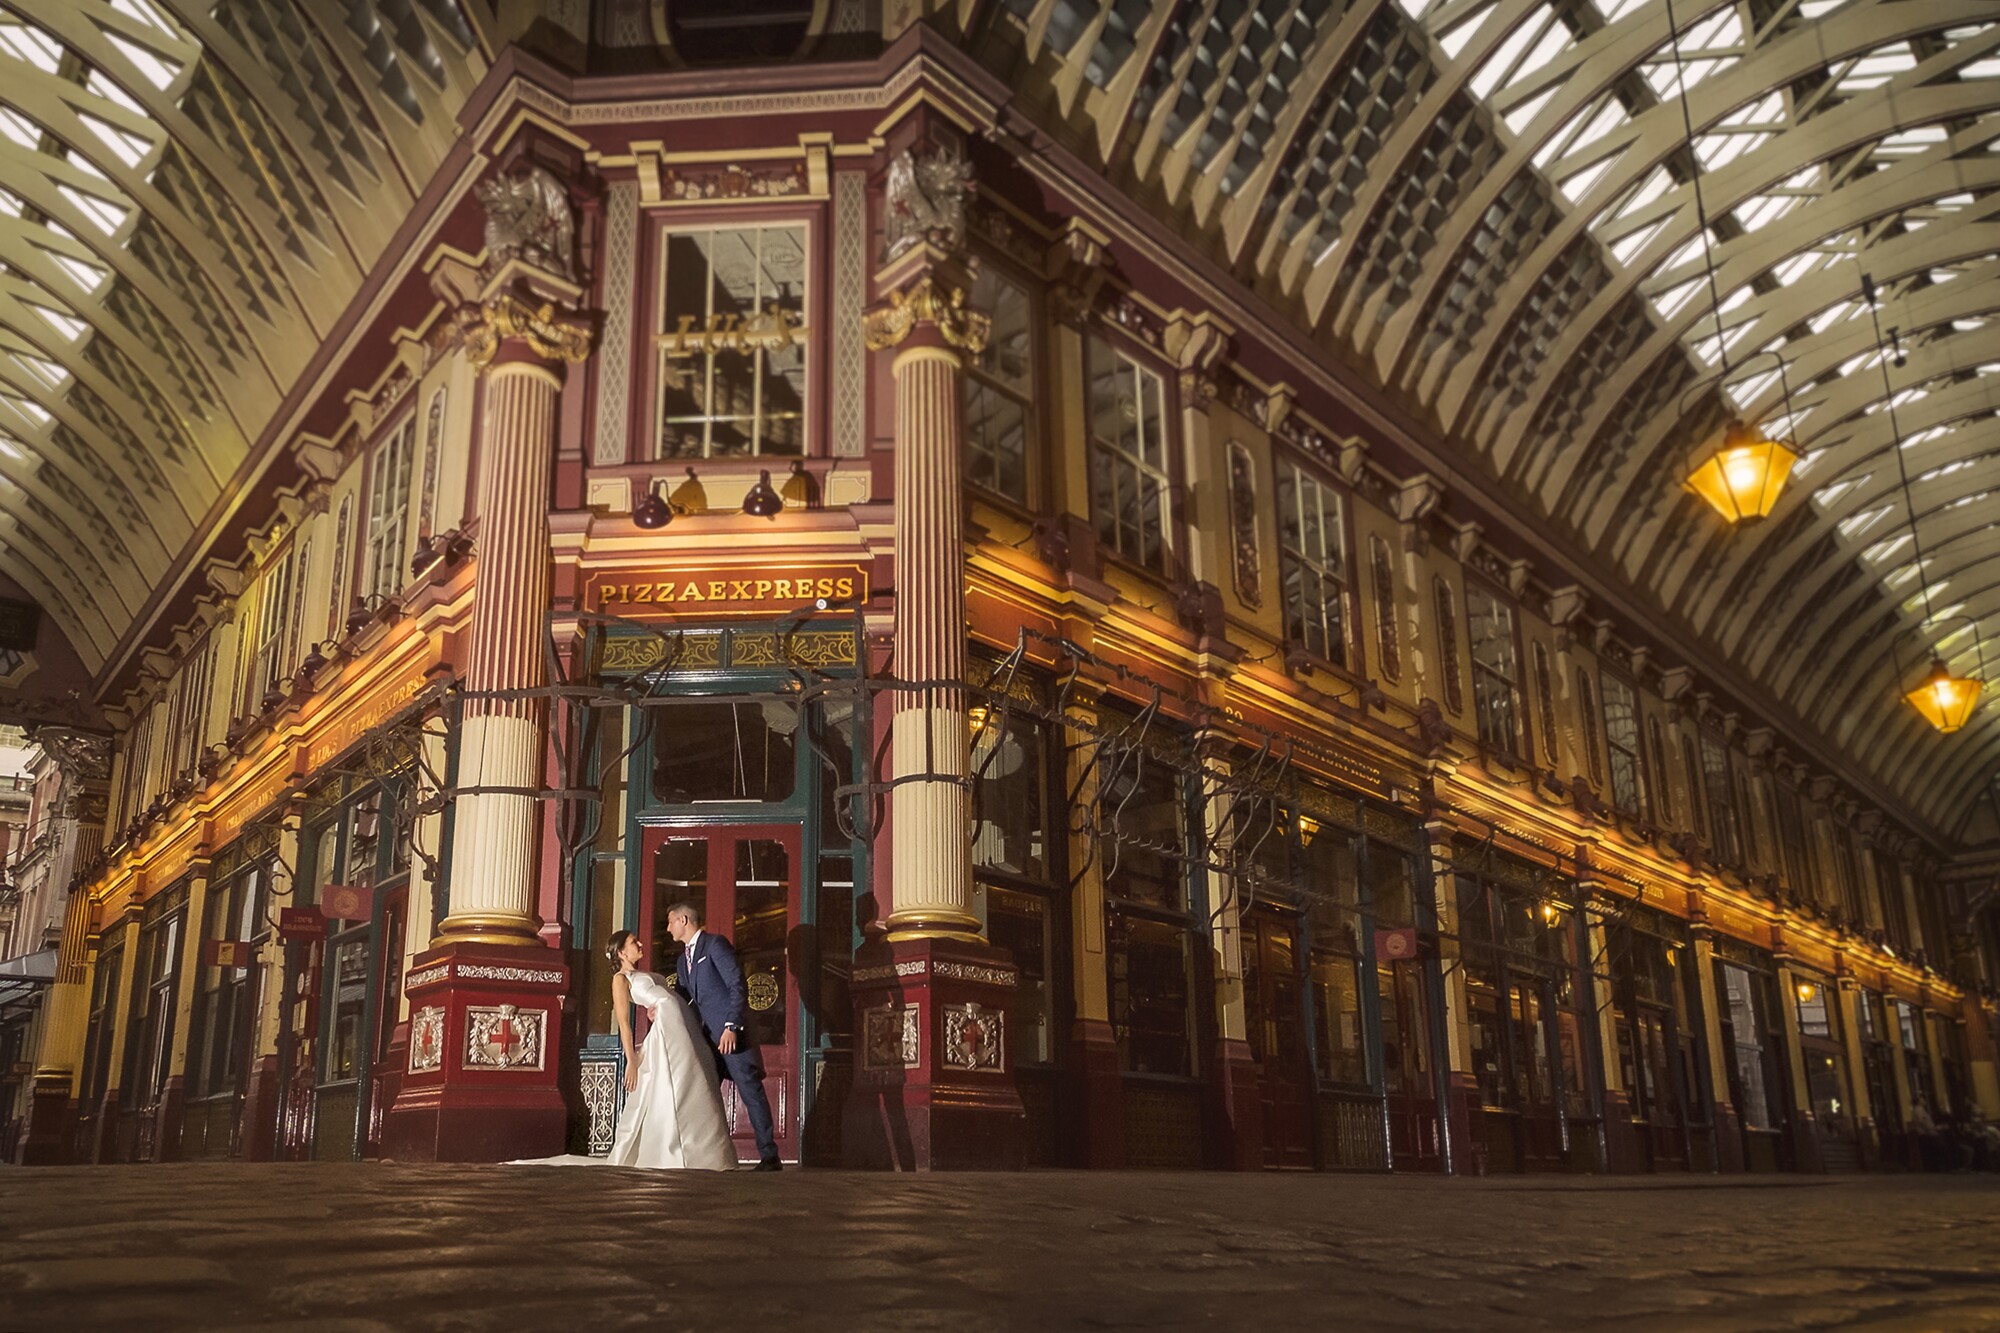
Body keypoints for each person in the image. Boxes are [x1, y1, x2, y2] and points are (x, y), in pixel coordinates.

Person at [515, 930, 735, 1170]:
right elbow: (623, 1023)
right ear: (621, 952)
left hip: (682, 1027)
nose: (640, 943)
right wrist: (631, 1059)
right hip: (668, 1034)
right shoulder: (620, 979)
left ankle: (706, 1151)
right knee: (678, 1084)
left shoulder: (641, 973)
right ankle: (679, 1152)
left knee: (695, 1082)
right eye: (633, 942)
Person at [666, 901, 782, 1170]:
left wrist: (731, 1026)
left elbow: (736, 985)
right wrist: (660, 1006)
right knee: (701, 1091)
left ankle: (770, 1155)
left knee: (750, 1091)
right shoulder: (682, 961)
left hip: (732, 1036)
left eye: (671, 921)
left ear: (684, 920)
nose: (668, 927)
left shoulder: (715, 945)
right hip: (706, 1039)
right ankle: (700, 1153)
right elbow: (683, 997)